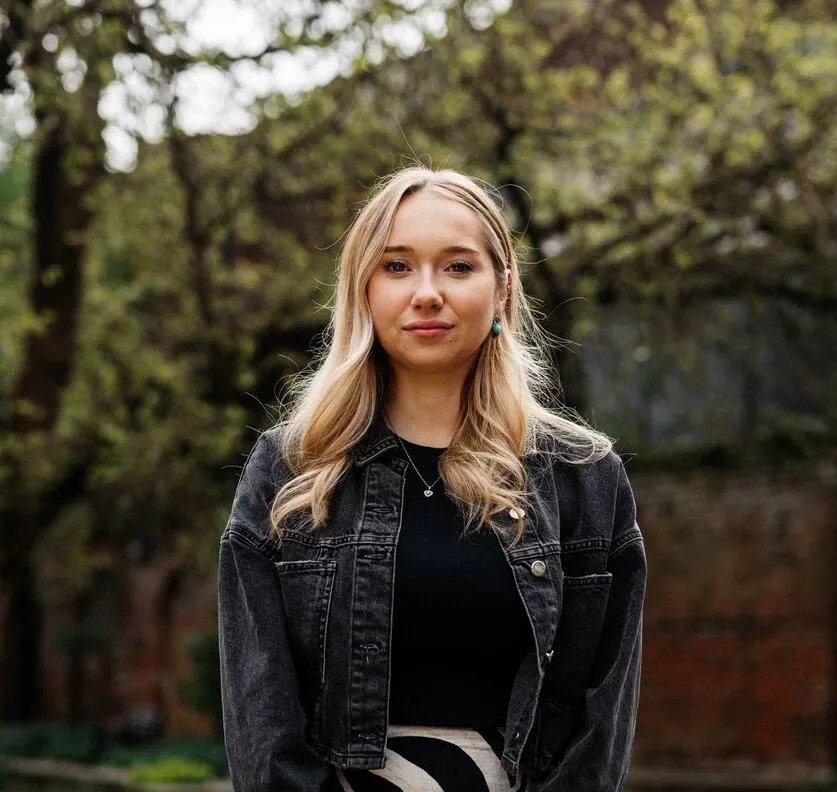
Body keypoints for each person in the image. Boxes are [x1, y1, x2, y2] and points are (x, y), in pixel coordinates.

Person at [217, 167, 646, 792]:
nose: (426, 292)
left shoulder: (585, 479)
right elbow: (261, 720)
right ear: (362, 291)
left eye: (458, 266)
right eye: (396, 266)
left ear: (501, 289)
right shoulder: (291, 469)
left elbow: (601, 725)